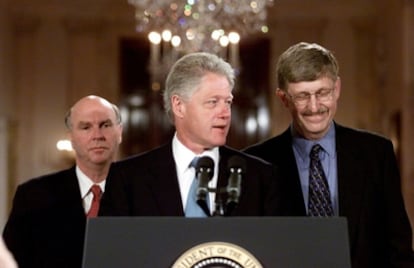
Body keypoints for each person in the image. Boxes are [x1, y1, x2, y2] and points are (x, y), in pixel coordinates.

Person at [244, 42, 414, 267]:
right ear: (284, 98)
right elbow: (250, 250)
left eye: (322, 93)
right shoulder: (256, 162)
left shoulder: (376, 153)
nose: (314, 107)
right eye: (302, 96)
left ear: (337, 89)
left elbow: (399, 246)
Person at [100, 52, 281, 217]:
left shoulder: (261, 177)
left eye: (228, 102)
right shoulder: (128, 178)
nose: (225, 113)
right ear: (179, 105)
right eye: (212, 102)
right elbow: (111, 250)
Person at [3, 95, 123, 268]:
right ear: (71, 137)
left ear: (119, 132)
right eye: (86, 127)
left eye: (105, 125)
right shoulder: (33, 196)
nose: (97, 135)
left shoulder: (144, 193)